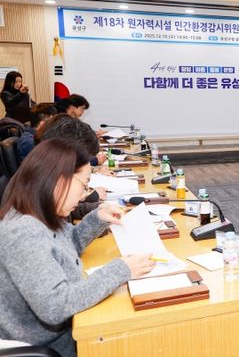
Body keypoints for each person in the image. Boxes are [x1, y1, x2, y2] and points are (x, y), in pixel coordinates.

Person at [0, 138, 155, 357]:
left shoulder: (40, 211)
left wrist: (97, 219)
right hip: (55, 344)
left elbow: (65, 249)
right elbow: (55, 306)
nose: (84, 195)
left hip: (67, 330)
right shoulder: (23, 232)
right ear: (59, 179)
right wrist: (121, 270)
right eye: (84, 185)